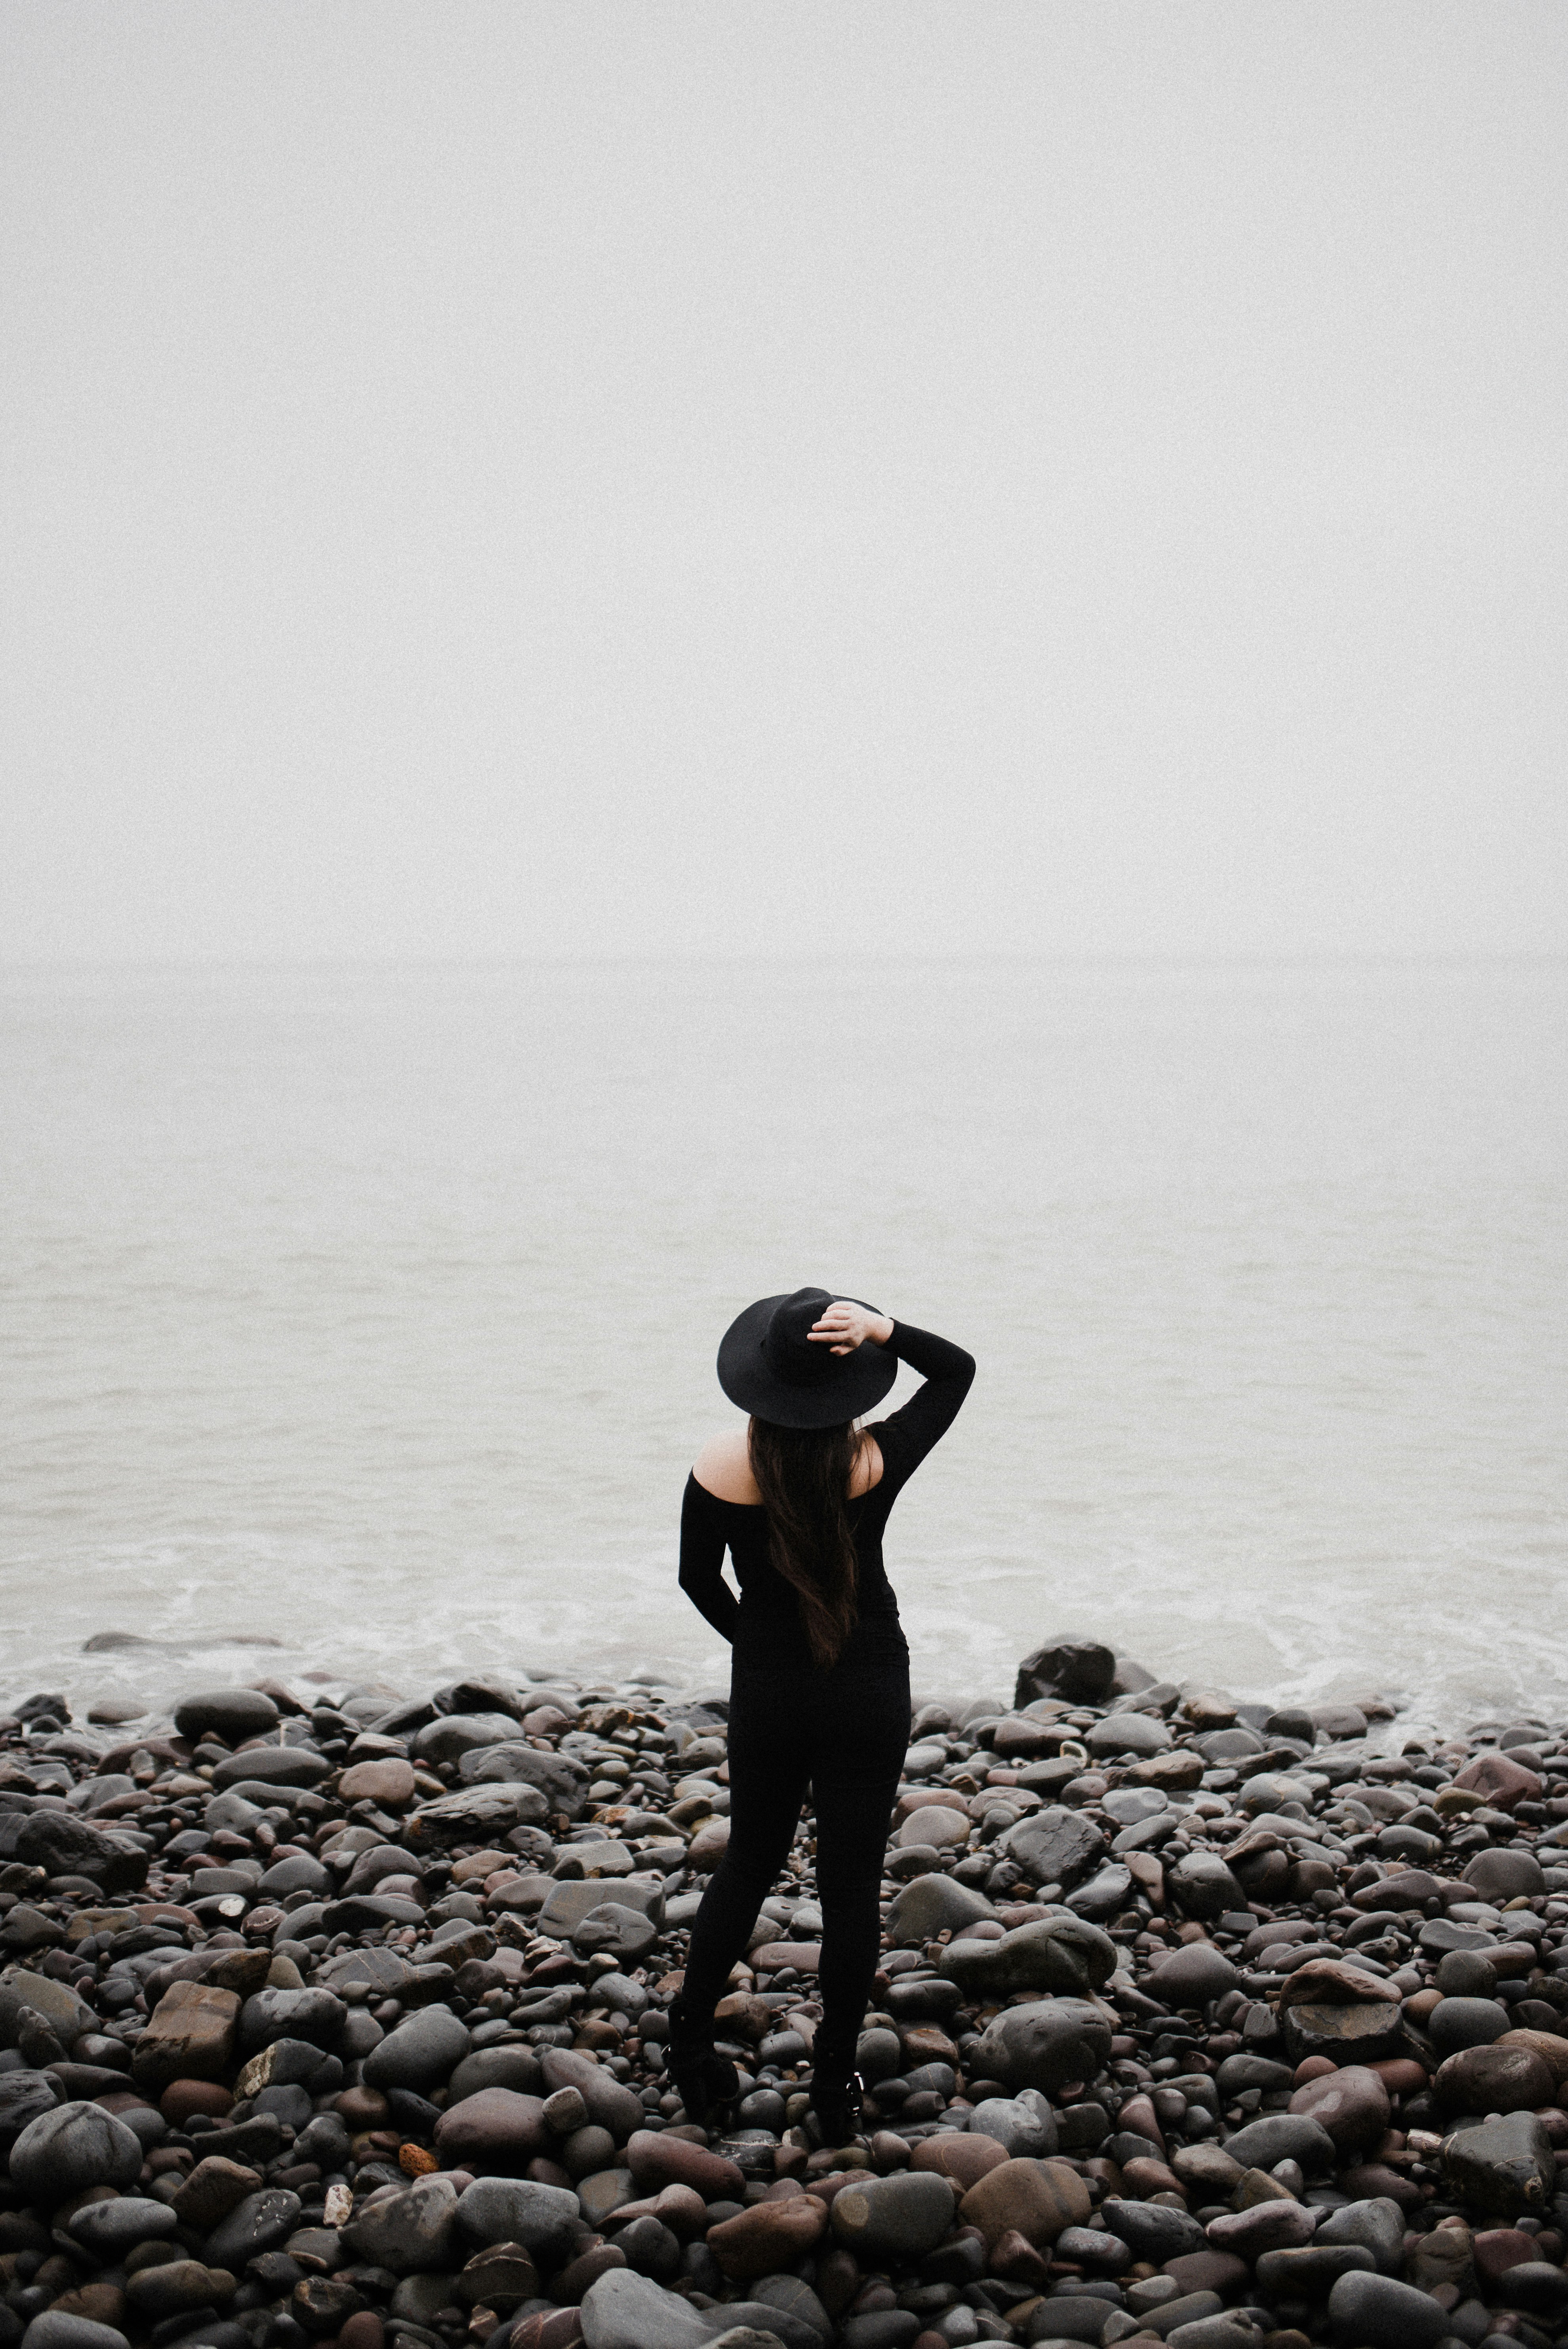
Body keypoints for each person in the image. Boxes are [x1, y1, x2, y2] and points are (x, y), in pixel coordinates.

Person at [671, 1286, 975, 2142]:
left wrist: (758, 1649)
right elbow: (957, 1371)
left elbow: (699, 1581)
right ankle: (833, 2091)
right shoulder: (878, 1458)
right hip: (868, 1682)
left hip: (770, 1686)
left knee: (749, 1863)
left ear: (761, 1379)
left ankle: (690, 2048)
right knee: (849, 1890)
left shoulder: (720, 1465)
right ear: (849, 1385)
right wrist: (886, 1328)